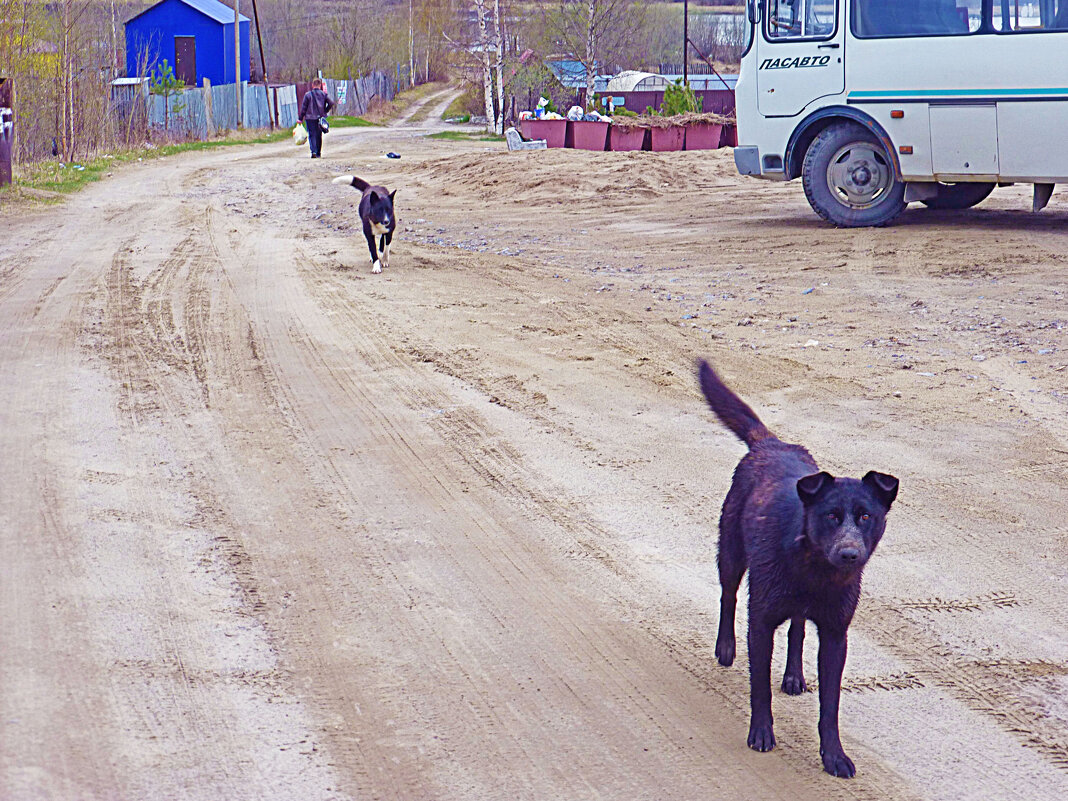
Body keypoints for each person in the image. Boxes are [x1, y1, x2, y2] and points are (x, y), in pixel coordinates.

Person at [298, 78, 335, 158]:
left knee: (312, 135)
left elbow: (304, 108)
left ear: (312, 85)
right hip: (320, 118)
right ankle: (318, 152)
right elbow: (331, 103)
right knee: (319, 135)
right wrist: (325, 111)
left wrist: (300, 119)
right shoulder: (323, 94)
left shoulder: (308, 95)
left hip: (310, 118)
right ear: (320, 85)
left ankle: (313, 151)